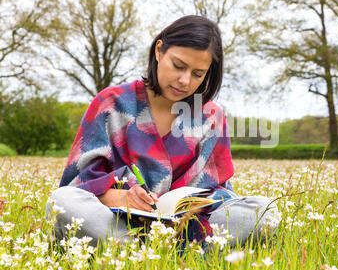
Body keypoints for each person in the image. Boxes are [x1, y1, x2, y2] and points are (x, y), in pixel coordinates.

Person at [46, 15, 279, 250]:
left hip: (188, 228)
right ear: (159, 50)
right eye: (178, 66)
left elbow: (220, 193)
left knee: (264, 211)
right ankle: (151, 250)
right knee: (62, 202)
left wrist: (191, 208)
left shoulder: (211, 117)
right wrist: (115, 196)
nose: (185, 80)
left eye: (198, 74)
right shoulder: (111, 103)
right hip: (118, 222)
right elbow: (77, 183)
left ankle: (137, 252)